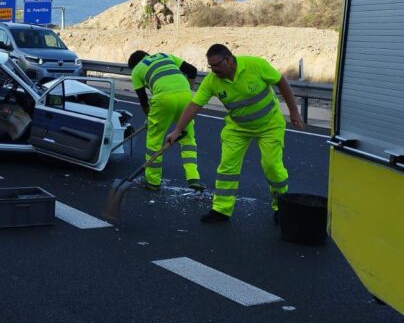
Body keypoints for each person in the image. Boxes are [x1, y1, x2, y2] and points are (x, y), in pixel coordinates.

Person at [166, 44, 304, 225]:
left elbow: (281, 82)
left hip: (269, 125)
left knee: (272, 167)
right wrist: (178, 130)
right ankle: (221, 210)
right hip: (237, 128)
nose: (213, 70)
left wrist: (293, 111)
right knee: (227, 168)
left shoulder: (255, 65)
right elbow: (194, 105)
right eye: (210, 66)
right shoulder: (212, 81)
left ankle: (281, 206)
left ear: (229, 60)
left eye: (216, 65)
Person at [128, 50, 202, 193]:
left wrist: (150, 120)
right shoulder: (165, 55)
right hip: (186, 95)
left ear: (134, 64)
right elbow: (192, 70)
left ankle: (153, 182)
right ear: (146, 55)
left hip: (163, 99)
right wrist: (188, 89)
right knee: (188, 138)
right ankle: (193, 177)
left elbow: (143, 101)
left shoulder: (137, 70)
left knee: (154, 141)